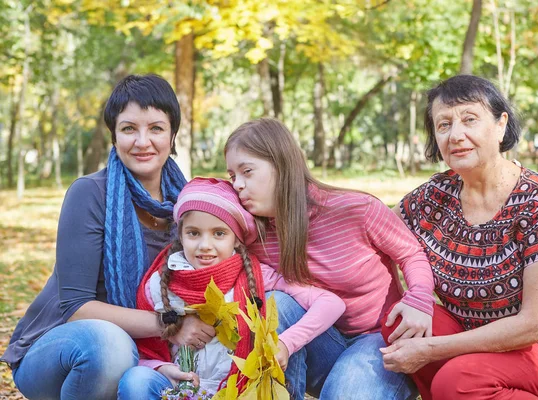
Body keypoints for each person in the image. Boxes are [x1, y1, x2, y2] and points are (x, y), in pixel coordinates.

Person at [0, 74, 216, 399]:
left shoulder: (190, 207)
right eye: (129, 128)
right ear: (114, 136)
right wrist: (172, 324)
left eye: (156, 128)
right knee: (111, 345)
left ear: (173, 135)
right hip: (61, 351)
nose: (142, 141)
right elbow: (77, 306)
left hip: (149, 358)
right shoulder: (90, 193)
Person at [380, 75, 538, 400]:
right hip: (471, 340)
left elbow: (534, 325)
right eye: (444, 125)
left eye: (469, 120)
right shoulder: (433, 197)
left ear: (500, 125)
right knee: (399, 321)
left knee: (456, 380)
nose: (456, 135)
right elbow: (373, 229)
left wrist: (431, 349)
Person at [224, 118, 436, 400]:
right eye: (232, 177)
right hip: (317, 340)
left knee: (346, 393)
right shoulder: (254, 233)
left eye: (247, 171)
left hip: (377, 339)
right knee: (278, 304)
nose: (238, 185)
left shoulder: (355, 209)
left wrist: (419, 298)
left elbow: (411, 254)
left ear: (282, 165)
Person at [118, 177, 346, 399]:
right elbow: (146, 350)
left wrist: (287, 343)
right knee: (136, 379)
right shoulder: (160, 283)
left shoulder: (255, 277)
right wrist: (161, 368)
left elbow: (331, 303)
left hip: (237, 391)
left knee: (280, 301)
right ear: (180, 234)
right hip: (178, 389)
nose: (205, 246)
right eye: (194, 233)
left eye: (219, 233)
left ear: (236, 239)